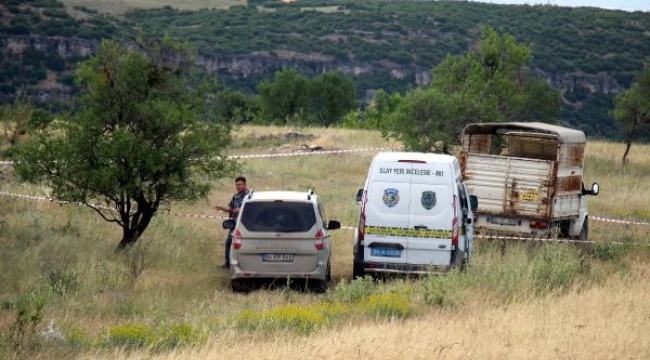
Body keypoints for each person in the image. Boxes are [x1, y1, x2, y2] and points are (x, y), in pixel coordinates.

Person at [214, 176, 250, 269]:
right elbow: (231, 208)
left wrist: (240, 210)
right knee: (229, 244)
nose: (238, 186)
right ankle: (227, 264)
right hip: (235, 225)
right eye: (236, 185)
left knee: (245, 246)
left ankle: (245, 265)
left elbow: (249, 209)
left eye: (240, 184)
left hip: (247, 225)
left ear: (245, 184)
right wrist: (221, 207)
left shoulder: (249, 196)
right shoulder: (236, 196)